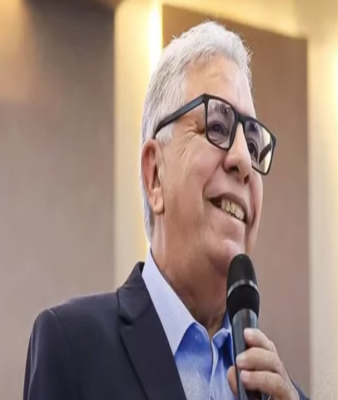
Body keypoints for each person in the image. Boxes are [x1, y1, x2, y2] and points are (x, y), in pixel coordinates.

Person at [23, 21, 310, 400]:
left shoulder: (285, 394)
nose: (243, 159)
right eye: (217, 127)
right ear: (155, 174)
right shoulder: (73, 348)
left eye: (254, 146)